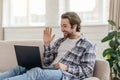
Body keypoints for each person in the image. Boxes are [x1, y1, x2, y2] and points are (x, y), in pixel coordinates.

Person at [0, 12, 96, 80]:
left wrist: (66, 67)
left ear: (74, 26)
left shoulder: (87, 45)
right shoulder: (60, 41)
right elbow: (47, 62)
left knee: (36, 72)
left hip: (64, 74)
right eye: (61, 26)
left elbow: (87, 71)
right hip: (51, 68)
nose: (62, 29)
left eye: (65, 26)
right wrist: (47, 44)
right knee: (20, 68)